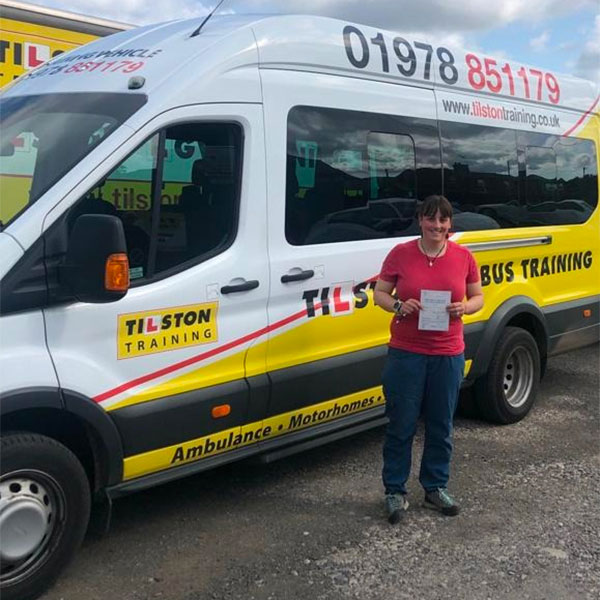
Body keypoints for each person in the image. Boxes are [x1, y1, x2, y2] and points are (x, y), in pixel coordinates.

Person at [373, 194, 484, 524]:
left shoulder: (464, 257)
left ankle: (435, 487)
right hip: (406, 353)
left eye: (443, 220)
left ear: (450, 224)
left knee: (441, 424)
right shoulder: (401, 254)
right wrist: (398, 305)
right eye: (431, 219)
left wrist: (465, 307)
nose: (437, 226)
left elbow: (478, 297)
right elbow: (380, 293)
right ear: (420, 220)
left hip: (448, 354)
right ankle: (395, 491)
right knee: (401, 424)